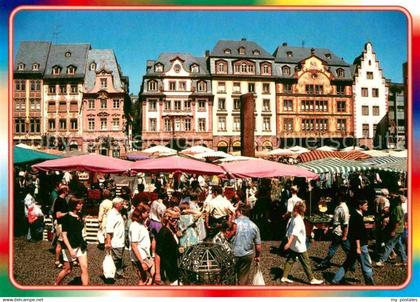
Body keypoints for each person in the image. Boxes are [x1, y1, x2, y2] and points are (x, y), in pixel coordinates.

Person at [332, 200, 374, 285]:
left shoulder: (355, 215)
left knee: (349, 262)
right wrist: (358, 247)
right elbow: (357, 234)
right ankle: (370, 284)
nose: (367, 206)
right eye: (365, 205)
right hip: (360, 245)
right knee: (366, 265)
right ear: (360, 206)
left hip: (353, 244)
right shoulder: (357, 217)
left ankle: (336, 279)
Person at [281, 202, 323, 285]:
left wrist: (289, 241)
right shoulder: (298, 220)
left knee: (291, 259)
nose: (306, 209)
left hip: (294, 243)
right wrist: (288, 243)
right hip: (298, 245)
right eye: (305, 208)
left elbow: (289, 229)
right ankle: (311, 279)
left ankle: (284, 276)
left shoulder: (294, 216)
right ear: (302, 210)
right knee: (306, 262)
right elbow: (294, 233)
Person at [54, 196, 88, 285]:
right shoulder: (67, 217)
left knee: (84, 268)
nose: (82, 205)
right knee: (67, 269)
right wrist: (70, 250)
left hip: (81, 245)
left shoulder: (80, 215)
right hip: (70, 246)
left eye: (82, 203)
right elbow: (64, 235)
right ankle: (56, 284)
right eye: (79, 204)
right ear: (74, 205)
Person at [317, 190, 350, 269]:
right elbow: (335, 219)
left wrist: (345, 235)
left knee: (334, 248)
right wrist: (328, 227)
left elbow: (345, 224)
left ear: (340, 197)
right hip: (337, 231)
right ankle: (352, 262)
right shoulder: (338, 206)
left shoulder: (343, 208)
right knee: (347, 249)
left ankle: (324, 263)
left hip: (339, 232)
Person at [231, 203, 261, 285]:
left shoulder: (233, 223)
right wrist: (257, 256)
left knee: (231, 275)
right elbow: (258, 246)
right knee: (244, 277)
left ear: (240, 211)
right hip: (247, 255)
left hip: (233, 253)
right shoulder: (254, 226)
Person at [376, 193, 407, 267]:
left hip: (396, 230)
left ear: (398, 201)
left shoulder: (397, 208)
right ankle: (404, 261)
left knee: (389, 245)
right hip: (399, 229)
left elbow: (397, 221)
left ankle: (382, 261)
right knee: (399, 245)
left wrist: (393, 231)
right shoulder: (396, 207)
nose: (391, 199)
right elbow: (390, 214)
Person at [129, 205, 154, 285]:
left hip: (145, 255)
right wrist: (142, 262)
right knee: (144, 279)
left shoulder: (140, 224)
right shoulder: (135, 226)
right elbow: (134, 245)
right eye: (147, 212)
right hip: (141, 257)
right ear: (141, 213)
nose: (149, 214)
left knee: (146, 278)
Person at [156, 209, 181, 285]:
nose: (175, 221)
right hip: (168, 268)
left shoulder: (172, 230)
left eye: (177, 219)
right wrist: (157, 273)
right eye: (172, 219)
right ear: (167, 219)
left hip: (174, 266)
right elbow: (158, 253)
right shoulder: (163, 232)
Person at [105, 197, 126, 279]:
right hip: (116, 241)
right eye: (121, 204)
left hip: (120, 240)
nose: (123, 205)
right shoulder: (112, 214)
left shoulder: (117, 213)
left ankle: (118, 273)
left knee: (118, 258)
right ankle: (112, 274)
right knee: (116, 258)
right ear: (116, 205)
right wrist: (108, 242)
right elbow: (109, 230)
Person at [52, 185, 69, 269]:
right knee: (59, 244)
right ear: (64, 191)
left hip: (63, 224)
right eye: (68, 190)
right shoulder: (59, 200)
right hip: (60, 225)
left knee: (63, 243)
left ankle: (67, 259)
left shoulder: (63, 200)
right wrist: (68, 213)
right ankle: (57, 261)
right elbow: (58, 215)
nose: (69, 191)